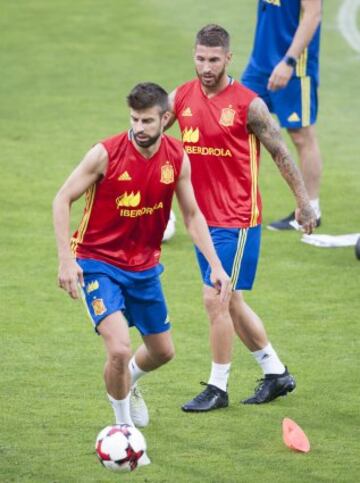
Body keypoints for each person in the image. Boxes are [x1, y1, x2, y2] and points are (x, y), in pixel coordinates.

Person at [53, 83, 230, 433]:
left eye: (147, 121)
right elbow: (62, 198)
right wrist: (65, 259)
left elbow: (192, 215)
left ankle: (127, 382)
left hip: (144, 267)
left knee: (163, 351)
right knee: (119, 350)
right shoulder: (104, 154)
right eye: (134, 119)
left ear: (166, 118)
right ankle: (123, 431)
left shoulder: (177, 157)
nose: (139, 128)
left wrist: (216, 265)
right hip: (97, 262)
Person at [167, 24, 316, 411]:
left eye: (214, 60)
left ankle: (218, 388)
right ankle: (276, 372)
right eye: (200, 58)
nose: (206, 67)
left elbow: (281, 153)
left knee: (215, 298)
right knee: (232, 303)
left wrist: (304, 201)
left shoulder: (249, 104)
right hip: (201, 221)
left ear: (228, 59)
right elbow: (148, 133)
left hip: (236, 219)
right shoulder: (181, 96)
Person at [242, 0, 323, 231]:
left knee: (301, 134)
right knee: (239, 122)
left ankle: (311, 208)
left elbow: (313, 14)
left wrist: (289, 61)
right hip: (260, 63)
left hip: (295, 66)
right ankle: (234, 202)